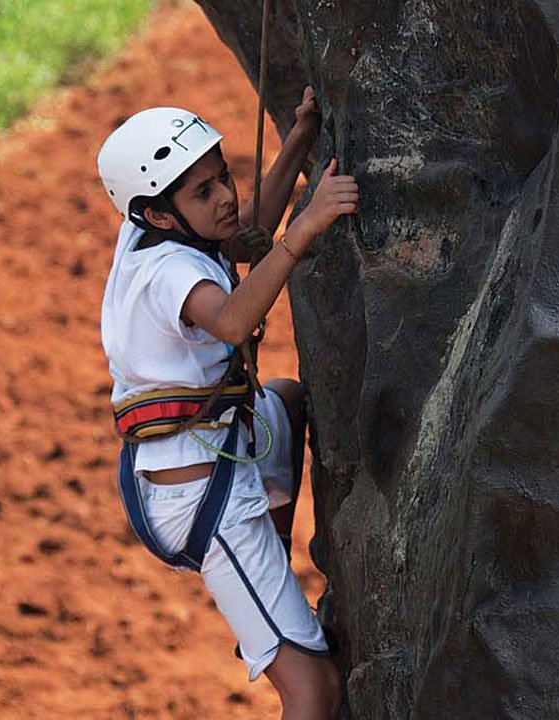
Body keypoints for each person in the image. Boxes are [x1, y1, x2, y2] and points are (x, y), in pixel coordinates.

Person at [97, 87, 358, 720]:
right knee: (312, 690)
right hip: (204, 502)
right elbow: (236, 320)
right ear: (159, 214)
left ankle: (264, 559)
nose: (224, 198)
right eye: (203, 193)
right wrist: (309, 223)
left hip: (206, 463)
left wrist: (299, 135)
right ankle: (254, 562)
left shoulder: (157, 237)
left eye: (222, 179)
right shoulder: (169, 276)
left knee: (287, 401)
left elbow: (246, 236)